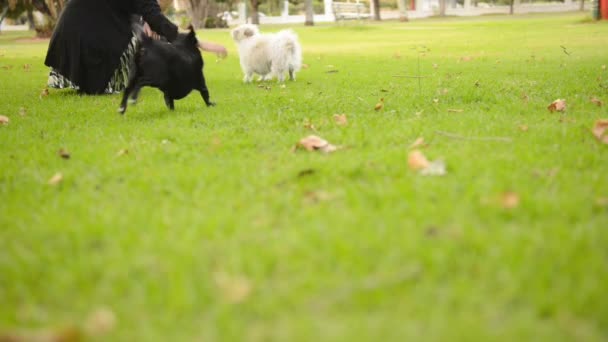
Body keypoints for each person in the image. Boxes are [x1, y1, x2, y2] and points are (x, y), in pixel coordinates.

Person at [44, 0, 227, 95]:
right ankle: (105, 79)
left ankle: (91, 77)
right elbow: (159, 22)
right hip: (90, 42)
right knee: (147, 40)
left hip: (66, 42)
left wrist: (143, 18)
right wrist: (198, 43)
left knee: (145, 32)